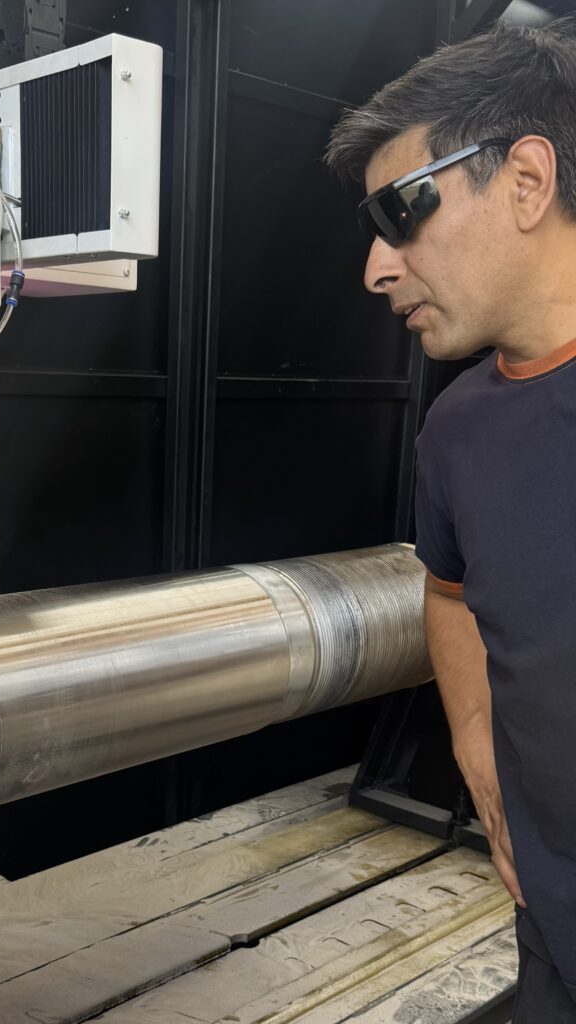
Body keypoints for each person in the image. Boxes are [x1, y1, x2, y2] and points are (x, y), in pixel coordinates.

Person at [325, 17, 576, 1022]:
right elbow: (453, 592)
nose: (376, 269)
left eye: (401, 212)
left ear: (526, 180)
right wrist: (476, 743)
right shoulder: (459, 429)